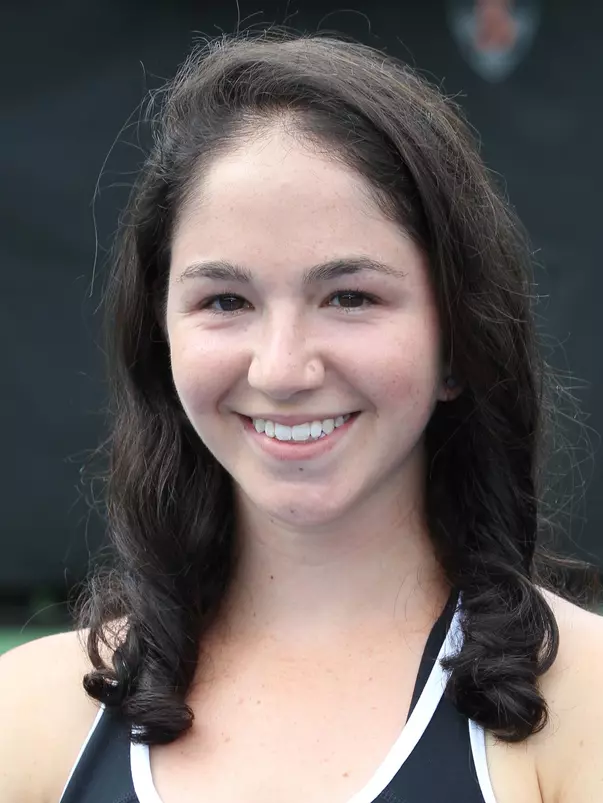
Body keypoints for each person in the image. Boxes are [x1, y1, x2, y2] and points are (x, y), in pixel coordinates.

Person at [1, 29, 602, 803]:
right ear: (161, 338)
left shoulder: (581, 703)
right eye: (225, 300)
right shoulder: (33, 714)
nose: (281, 369)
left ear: (458, 341)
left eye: (349, 296)